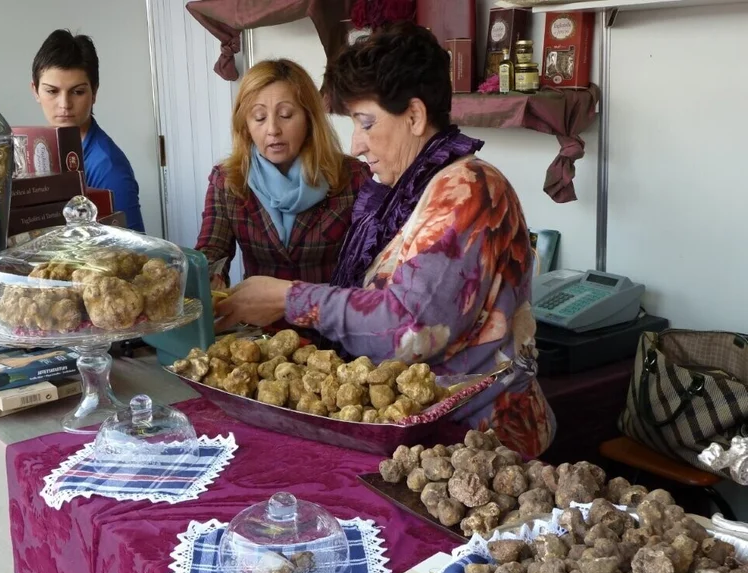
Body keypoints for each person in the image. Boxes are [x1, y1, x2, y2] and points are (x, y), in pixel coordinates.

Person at [215, 23, 554, 457]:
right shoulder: (410, 190)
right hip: (429, 438)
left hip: (481, 445)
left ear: (414, 116)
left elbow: (406, 329)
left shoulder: (468, 189)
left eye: (366, 122)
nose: (357, 144)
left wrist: (289, 298)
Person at [195, 58, 369, 290]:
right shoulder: (228, 180)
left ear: (309, 118)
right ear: (245, 125)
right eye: (259, 118)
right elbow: (211, 252)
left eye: (286, 115)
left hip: (330, 320)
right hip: (256, 324)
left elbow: (371, 261)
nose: (273, 130)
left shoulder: (352, 176)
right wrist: (207, 277)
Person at [31, 29, 145, 232]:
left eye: (78, 92)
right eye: (52, 91)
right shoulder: (38, 150)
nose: (64, 104)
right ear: (35, 91)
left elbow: (133, 252)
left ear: (94, 93)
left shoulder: (108, 167)